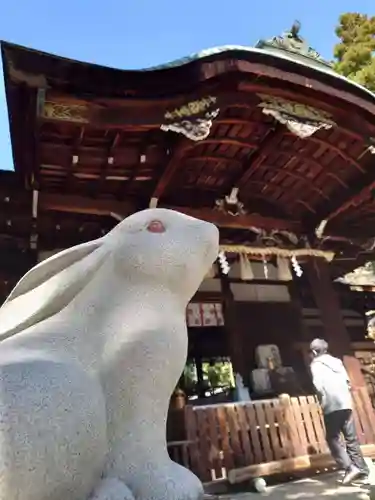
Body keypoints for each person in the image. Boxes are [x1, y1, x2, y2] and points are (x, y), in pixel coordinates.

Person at [309, 338, 369, 485]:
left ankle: (349, 467)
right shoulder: (337, 362)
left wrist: (322, 400)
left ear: (314, 351)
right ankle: (362, 470)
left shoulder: (316, 365)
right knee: (351, 438)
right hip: (346, 404)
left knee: (332, 438)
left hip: (332, 405)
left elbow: (318, 386)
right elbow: (348, 383)